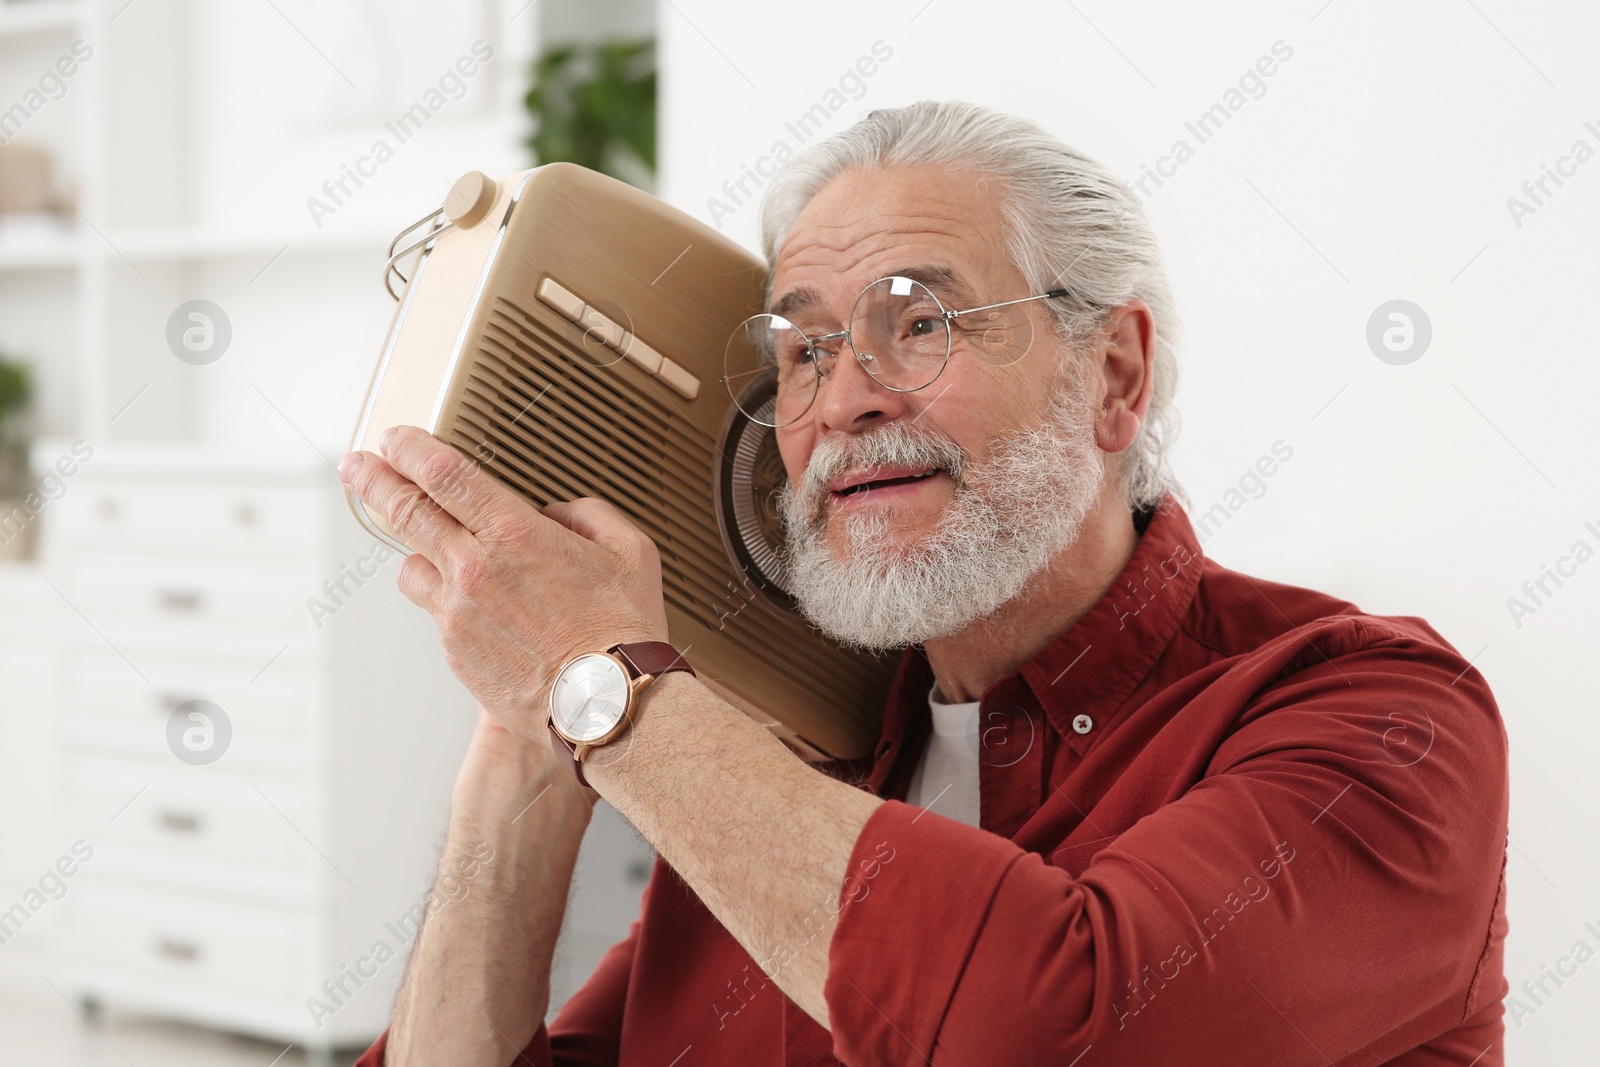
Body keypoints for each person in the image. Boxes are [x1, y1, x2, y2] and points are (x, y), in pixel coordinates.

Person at [341, 100, 1508, 1066]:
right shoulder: (774, 772)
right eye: (802, 350)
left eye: (922, 321)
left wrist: (601, 683)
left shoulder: (1386, 719)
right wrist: (526, 746)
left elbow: (1042, 1025)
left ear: (1114, 374)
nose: (844, 399)